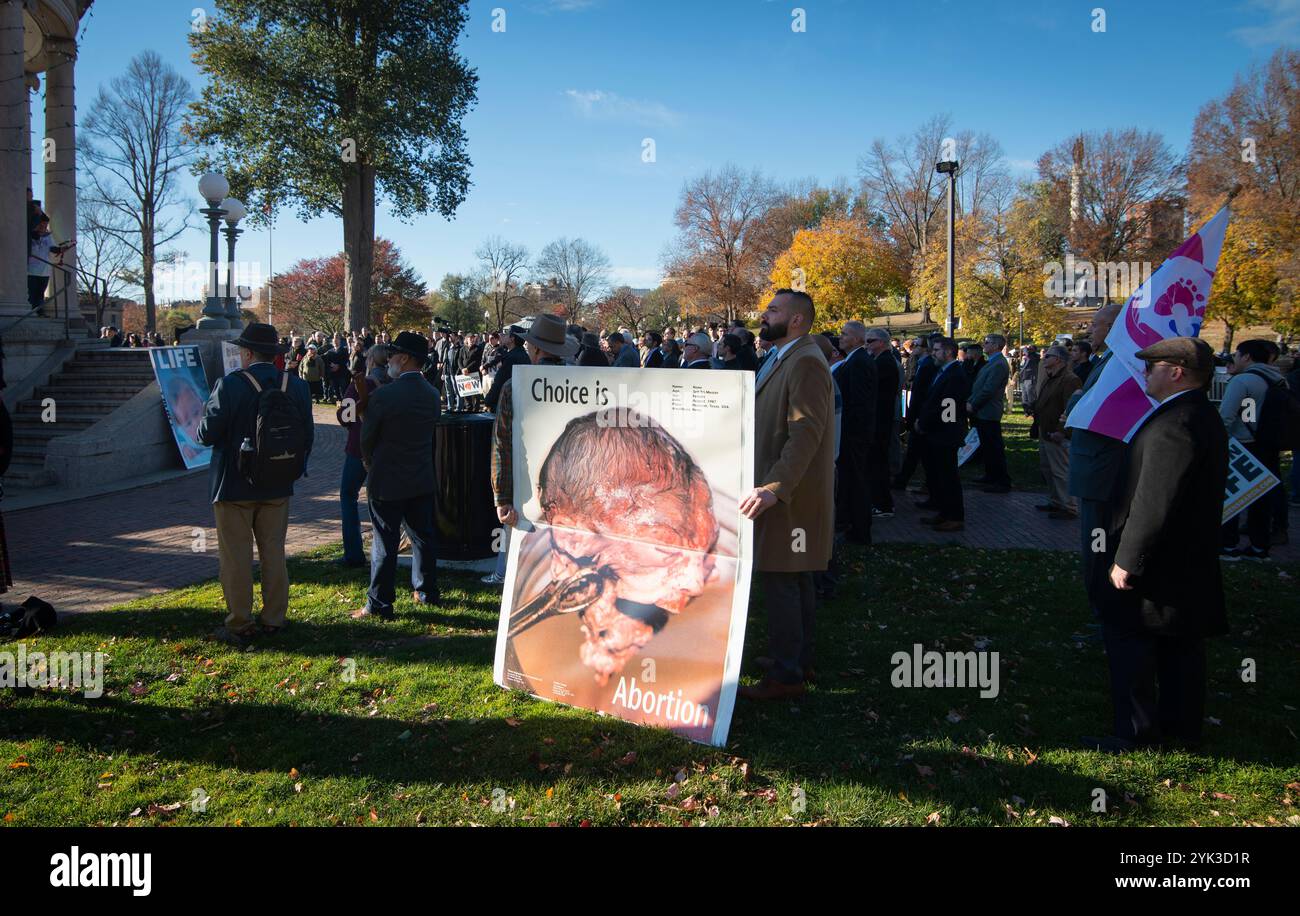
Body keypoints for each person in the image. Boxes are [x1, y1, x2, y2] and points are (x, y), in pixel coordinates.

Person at [1087, 336, 1227, 753]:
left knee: (1131, 642)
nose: (1145, 372)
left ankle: (1134, 732)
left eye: (1152, 366)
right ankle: (1181, 728)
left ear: (1176, 372)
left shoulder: (1176, 424)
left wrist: (1127, 560)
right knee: (1180, 646)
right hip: (1184, 561)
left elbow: (1154, 500)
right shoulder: (1197, 415)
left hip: (1159, 565)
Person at [738, 289, 835, 701]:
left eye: (774, 309)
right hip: (780, 489)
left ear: (796, 320)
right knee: (793, 579)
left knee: (782, 579)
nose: (765, 314)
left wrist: (776, 488)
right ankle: (796, 657)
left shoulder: (807, 361)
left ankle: (786, 675)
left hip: (789, 495)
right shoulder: (785, 357)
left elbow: (806, 434)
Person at [196, 322, 314, 647]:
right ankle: (274, 618)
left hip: (234, 485)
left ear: (246, 353)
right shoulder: (297, 386)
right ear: (274, 353)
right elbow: (308, 436)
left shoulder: (230, 385)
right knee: (274, 553)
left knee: (236, 558)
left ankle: (239, 622)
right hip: (278, 484)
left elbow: (207, 435)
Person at [352, 332, 441, 619]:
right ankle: (426, 590)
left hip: (387, 478)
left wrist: (368, 462)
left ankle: (379, 602)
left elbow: (367, 439)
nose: (388, 360)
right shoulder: (432, 394)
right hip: (420, 476)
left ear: (403, 359)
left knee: (385, 542)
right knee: (422, 537)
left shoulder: (385, 395)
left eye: (392, 355)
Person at [487, 314, 578, 586]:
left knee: (525, 566)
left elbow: (501, 444)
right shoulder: (581, 381)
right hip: (571, 492)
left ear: (536, 348)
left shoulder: (514, 386)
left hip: (526, 490)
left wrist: (501, 497)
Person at [1063, 304, 1125, 618]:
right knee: (1095, 547)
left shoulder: (1121, 362)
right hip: (1094, 468)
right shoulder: (1108, 360)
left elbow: (1101, 404)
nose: (1090, 331)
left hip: (1102, 470)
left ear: (1114, 326)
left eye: (1096, 325)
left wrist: (1075, 401)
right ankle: (1102, 609)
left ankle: (1106, 613)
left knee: (1100, 548)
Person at [1218, 339, 1287, 560]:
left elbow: (1227, 416)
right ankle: (1260, 547)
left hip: (1243, 444)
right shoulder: (1278, 379)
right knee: (1261, 498)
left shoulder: (1244, 381)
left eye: (1237, 355)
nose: (1235, 359)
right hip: (1269, 445)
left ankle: (1227, 546)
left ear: (1247, 357)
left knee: (1232, 497)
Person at [336, 345, 391, 567]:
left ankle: (353, 553)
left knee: (348, 495)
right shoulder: (394, 384)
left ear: (369, 361)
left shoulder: (361, 385)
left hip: (359, 449)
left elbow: (346, 417)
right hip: (386, 449)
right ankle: (385, 550)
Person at [914, 337, 969, 531]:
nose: (933, 353)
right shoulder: (944, 371)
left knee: (948, 477)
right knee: (939, 476)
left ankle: (954, 516)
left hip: (944, 435)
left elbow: (949, 408)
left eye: (936, 350)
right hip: (936, 432)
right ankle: (944, 512)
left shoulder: (955, 374)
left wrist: (931, 426)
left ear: (947, 353)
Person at [834, 321, 877, 545]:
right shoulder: (854, 360)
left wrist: (850, 433)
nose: (840, 337)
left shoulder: (859, 362)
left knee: (857, 480)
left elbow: (859, 403)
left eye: (845, 334)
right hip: (853, 433)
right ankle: (852, 524)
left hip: (855, 434)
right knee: (851, 480)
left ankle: (860, 531)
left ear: (859, 340)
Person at [1033, 345, 1082, 518]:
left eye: (1048, 356)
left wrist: (1062, 431)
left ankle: (1069, 506)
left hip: (1056, 431)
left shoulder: (1070, 379)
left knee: (1061, 470)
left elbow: (1071, 407)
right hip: (1045, 428)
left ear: (1059, 359)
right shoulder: (1050, 377)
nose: (1044, 359)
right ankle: (1056, 501)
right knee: (1047, 467)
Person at [968, 334, 1012, 493]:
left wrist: (973, 404)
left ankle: (1001, 480)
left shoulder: (999, 364)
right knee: (987, 445)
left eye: (986, 342)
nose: (983, 345)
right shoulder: (992, 362)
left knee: (994, 447)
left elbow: (988, 389)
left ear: (996, 345)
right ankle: (991, 475)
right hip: (983, 410)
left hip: (989, 410)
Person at [864, 328, 900, 517]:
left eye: (870, 341)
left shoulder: (885, 362)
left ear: (882, 343)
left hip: (881, 420)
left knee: (879, 463)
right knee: (876, 463)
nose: (867, 344)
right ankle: (879, 501)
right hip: (879, 419)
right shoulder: (880, 360)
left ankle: (883, 504)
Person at [484, 325, 530, 413]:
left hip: (506, 406)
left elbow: (499, 383)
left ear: (512, 338)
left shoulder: (511, 358)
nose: (503, 336)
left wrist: (487, 401)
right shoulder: (524, 355)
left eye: (506, 334)